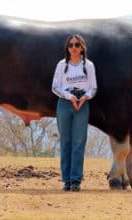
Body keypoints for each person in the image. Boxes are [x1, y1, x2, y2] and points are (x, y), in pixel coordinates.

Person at [52, 34, 97, 192]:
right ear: (67, 48)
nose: (73, 48)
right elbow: (55, 87)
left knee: (79, 142)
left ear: (82, 47)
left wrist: (85, 97)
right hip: (65, 103)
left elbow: (93, 87)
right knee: (65, 142)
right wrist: (69, 96)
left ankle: (76, 180)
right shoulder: (62, 65)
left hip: (82, 104)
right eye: (70, 45)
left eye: (77, 45)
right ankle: (66, 180)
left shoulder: (88, 65)